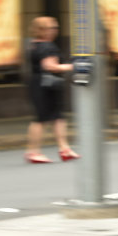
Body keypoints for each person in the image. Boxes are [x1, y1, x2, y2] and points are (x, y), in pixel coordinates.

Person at [25, 16, 79, 163]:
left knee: (56, 117)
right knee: (42, 118)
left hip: (39, 84)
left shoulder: (33, 45)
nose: (55, 30)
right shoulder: (47, 46)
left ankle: (64, 148)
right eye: (52, 28)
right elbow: (50, 66)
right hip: (47, 85)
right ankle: (34, 151)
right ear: (42, 30)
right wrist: (74, 67)